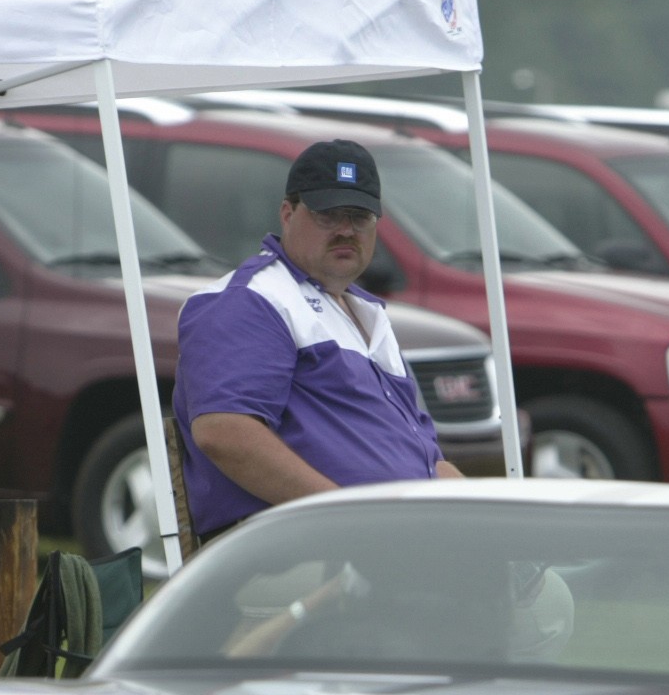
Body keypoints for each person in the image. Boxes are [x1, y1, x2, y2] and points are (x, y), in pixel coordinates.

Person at [171, 140, 463, 548]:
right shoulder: (252, 300)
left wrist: (482, 515)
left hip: (397, 537)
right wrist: (346, 519)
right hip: (294, 547)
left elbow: (428, 461)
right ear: (287, 213)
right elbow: (223, 431)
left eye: (359, 216)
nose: (346, 230)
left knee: (533, 573)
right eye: (328, 214)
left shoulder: (367, 313)